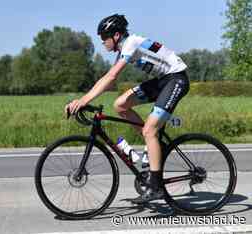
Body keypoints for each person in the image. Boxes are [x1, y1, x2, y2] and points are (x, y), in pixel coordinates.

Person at [65, 14, 190, 202]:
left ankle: (156, 188)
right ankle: (155, 144)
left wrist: (82, 101)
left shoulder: (131, 43)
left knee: (149, 130)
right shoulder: (124, 48)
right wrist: (84, 99)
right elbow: (107, 79)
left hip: (176, 79)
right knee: (120, 105)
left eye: (104, 38)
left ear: (116, 36)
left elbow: (111, 77)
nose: (103, 43)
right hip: (162, 81)